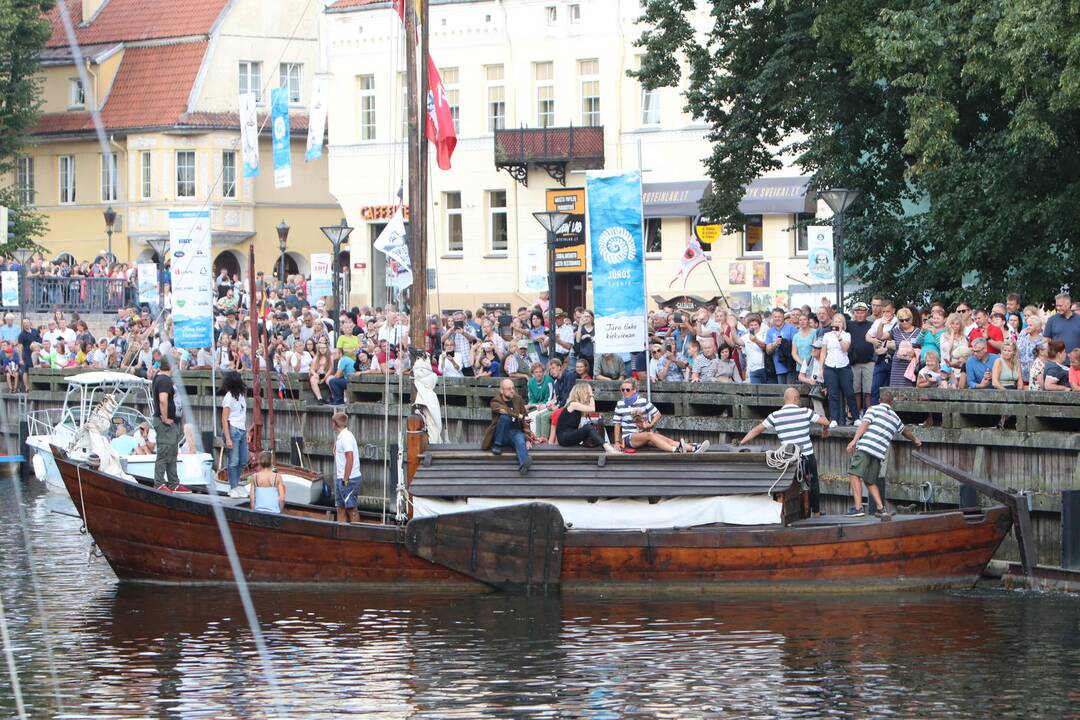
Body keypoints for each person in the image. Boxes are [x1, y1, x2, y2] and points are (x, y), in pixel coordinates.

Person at [738, 387, 832, 516]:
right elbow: (825, 421)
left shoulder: (775, 415)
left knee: (792, 484)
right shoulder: (805, 412)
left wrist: (742, 442)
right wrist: (825, 430)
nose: (799, 402)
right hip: (807, 455)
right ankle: (816, 512)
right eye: (798, 399)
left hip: (789, 458)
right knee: (814, 481)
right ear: (794, 398)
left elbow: (757, 430)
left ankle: (791, 513)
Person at [845, 391, 922, 517]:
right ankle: (881, 508)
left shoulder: (873, 409)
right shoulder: (895, 418)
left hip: (866, 447)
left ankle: (858, 508)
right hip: (879, 452)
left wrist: (854, 440)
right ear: (891, 403)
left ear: (880, 400)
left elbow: (864, 424)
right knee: (870, 481)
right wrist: (916, 440)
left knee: (854, 474)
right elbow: (905, 432)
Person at [613, 378, 707, 453]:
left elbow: (657, 414)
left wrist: (650, 424)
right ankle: (676, 450)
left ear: (634, 390)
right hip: (628, 437)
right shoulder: (620, 404)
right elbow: (617, 424)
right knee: (650, 435)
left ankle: (693, 448)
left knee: (664, 439)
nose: (625, 392)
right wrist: (617, 442)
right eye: (623, 390)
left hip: (642, 434)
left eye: (627, 389)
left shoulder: (642, 401)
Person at [151, 356, 188, 492]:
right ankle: (159, 483)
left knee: (173, 452)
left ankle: (174, 483)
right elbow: (163, 400)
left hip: (173, 422)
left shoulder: (159, 377)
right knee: (164, 451)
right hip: (165, 423)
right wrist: (165, 418)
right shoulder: (164, 380)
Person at [481, 378, 532, 475]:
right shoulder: (495, 401)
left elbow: (526, 418)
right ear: (502, 390)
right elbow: (505, 411)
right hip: (501, 434)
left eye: (513, 388)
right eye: (508, 389)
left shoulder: (518, 399)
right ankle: (497, 445)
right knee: (505, 418)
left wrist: (528, 438)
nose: (512, 390)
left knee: (521, 441)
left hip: (515, 432)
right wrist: (519, 416)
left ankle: (524, 465)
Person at [555, 382, 617, 452]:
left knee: (588, 428)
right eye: (587, 393)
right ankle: (607, 447)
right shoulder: (573, 404)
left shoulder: (577, 407)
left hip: (568, 436)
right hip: (564, 438)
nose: (589, 395)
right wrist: (591, 394)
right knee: (587, 427)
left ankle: (602, 448)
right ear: (581, 393)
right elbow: (592, 409)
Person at [821, 314, 858, 425]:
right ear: (832, 323)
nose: (837, 323)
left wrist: (839, 336)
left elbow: (845, 348)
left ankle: (856, 418)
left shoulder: (847, 335)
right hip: (830, 366)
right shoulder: (827, 335)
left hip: (844, 366)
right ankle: (834, 419)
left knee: (849, 393)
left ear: (843, 324)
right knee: (832, 394)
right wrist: (820, 368)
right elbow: (823, 352)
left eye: (839, 321)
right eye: (835, 321)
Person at [220, 371, 249, 492]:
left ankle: (236, 484)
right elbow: (224, 419)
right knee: (233, 461)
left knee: (243, 461)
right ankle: (233, 487)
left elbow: (242, 415)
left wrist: (246, 432)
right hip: (233, 429)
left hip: (241, 430)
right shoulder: (229, 397)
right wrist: (228, 438)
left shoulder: (241, 395)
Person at [846, 302, 876, 414]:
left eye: (862, 312)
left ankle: (869, 414)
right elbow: (835, 321)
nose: (859, 314)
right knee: (856, 390)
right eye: (857, 312)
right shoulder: (849, 324)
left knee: (869, 391)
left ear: (866, 313)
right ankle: (857, 414)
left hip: (869, 361)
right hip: (855, 362)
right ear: (853, 313)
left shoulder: (871, 324)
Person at [332, 412, 362, 522]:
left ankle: (356, 534)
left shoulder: (346, 437)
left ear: (334, 423)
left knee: (351, 509)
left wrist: (345, 478)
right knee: (340, 508)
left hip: (349, 479)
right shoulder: (341, 437)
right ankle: (342, 533)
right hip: (341, 478)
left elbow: (350, 457)